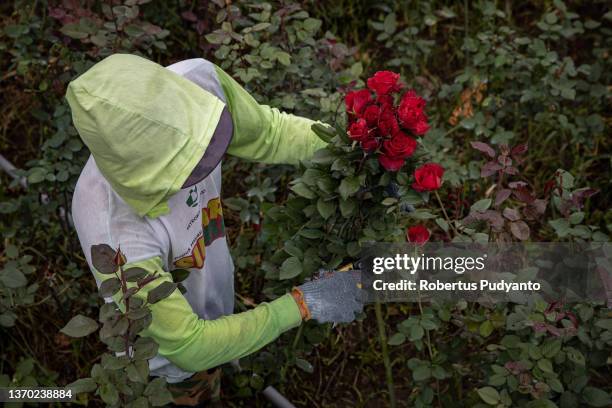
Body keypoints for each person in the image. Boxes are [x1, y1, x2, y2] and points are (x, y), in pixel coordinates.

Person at [66, 54, 363, 406]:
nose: (207, 164)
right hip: (166, 370)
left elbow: (269, 132)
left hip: (216, 300)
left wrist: (355, 156)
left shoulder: (199, 83)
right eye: (188, 166)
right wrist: (301, 304)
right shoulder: (113, 232)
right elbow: (190, 347)